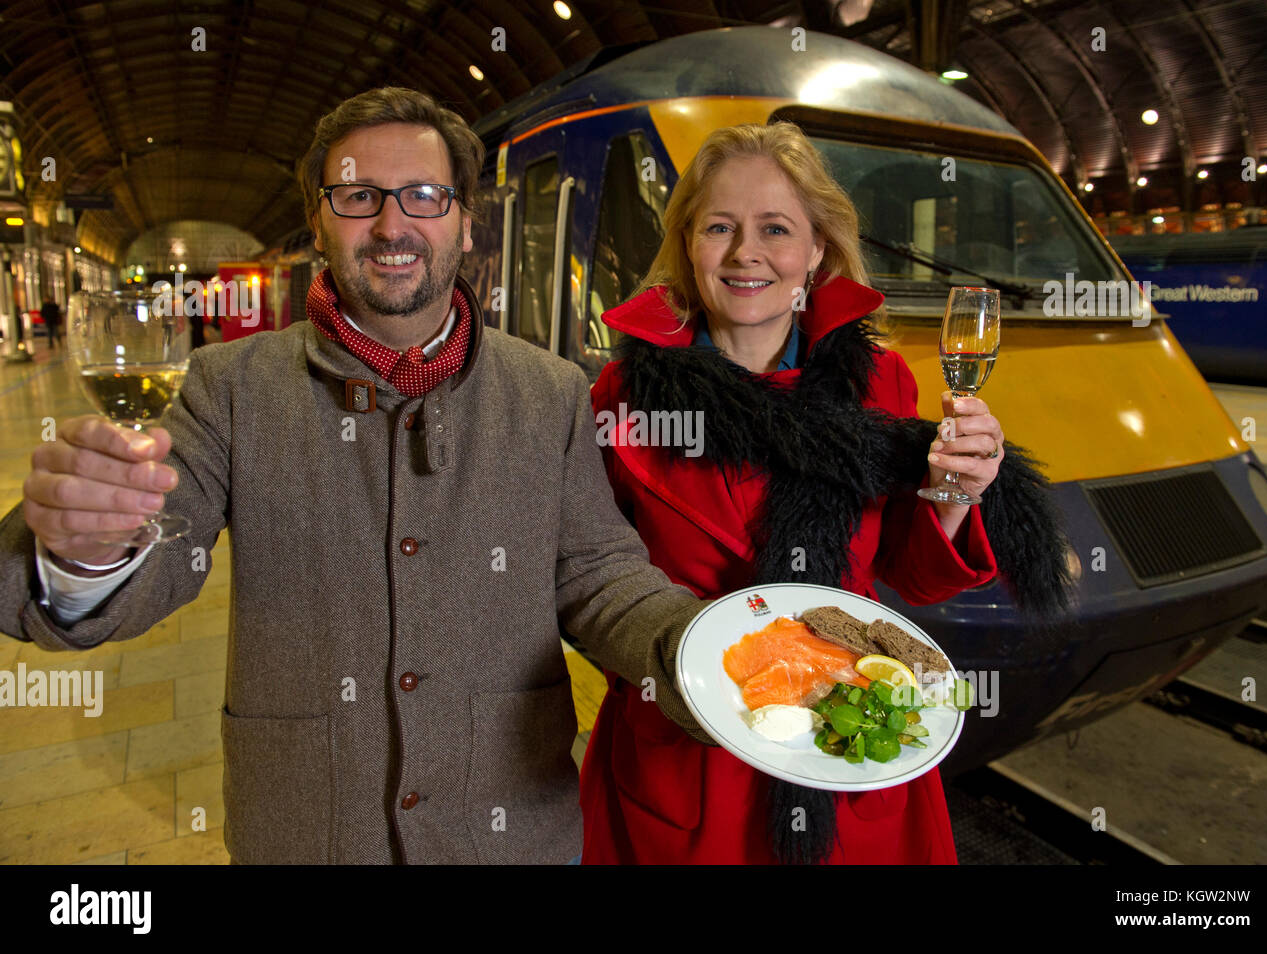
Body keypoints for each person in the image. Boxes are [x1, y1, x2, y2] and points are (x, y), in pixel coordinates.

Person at [0, 87, 709, 865]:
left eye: (425, 196)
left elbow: (596, 573)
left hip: (509, 832)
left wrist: (701, 650)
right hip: (307, 834)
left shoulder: (551, 391)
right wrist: (87, 549)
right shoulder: (229, 386)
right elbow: (167, 543)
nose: (392, 224)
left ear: (466, 221)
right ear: (317, 222)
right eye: (358, 195)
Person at [578, 122, 1067, 865]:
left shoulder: (882, 384)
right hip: (685, 754)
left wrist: (953, 492)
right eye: (719, 227)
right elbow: (588, 573)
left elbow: (914, 574)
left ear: (816, 251)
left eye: (776, 228)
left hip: (843, 748)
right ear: (686, 247)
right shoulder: (622, 395)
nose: (746, 253)